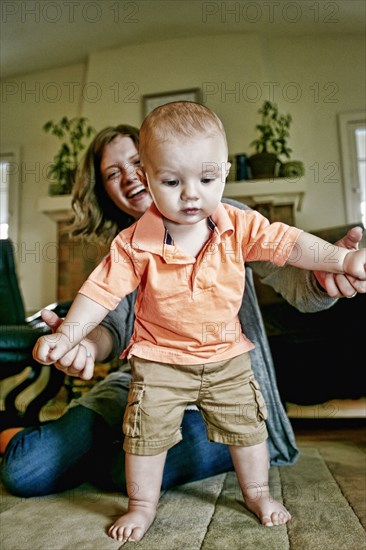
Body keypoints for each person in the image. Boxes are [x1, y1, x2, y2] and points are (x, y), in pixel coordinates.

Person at [32, 102, 366, 543]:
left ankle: (257, 493)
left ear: (224, 174)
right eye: (172, 182)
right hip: (159, 366)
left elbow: (289, 245)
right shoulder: (132, 244)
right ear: (152, 180)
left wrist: (341, 259)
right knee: (143, 439)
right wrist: (73, 335)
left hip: (227, 358)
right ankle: (142, 505)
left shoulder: (236, 223)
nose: (191, 194)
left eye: (206, 179)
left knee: (247, 429)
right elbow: (100, 294)